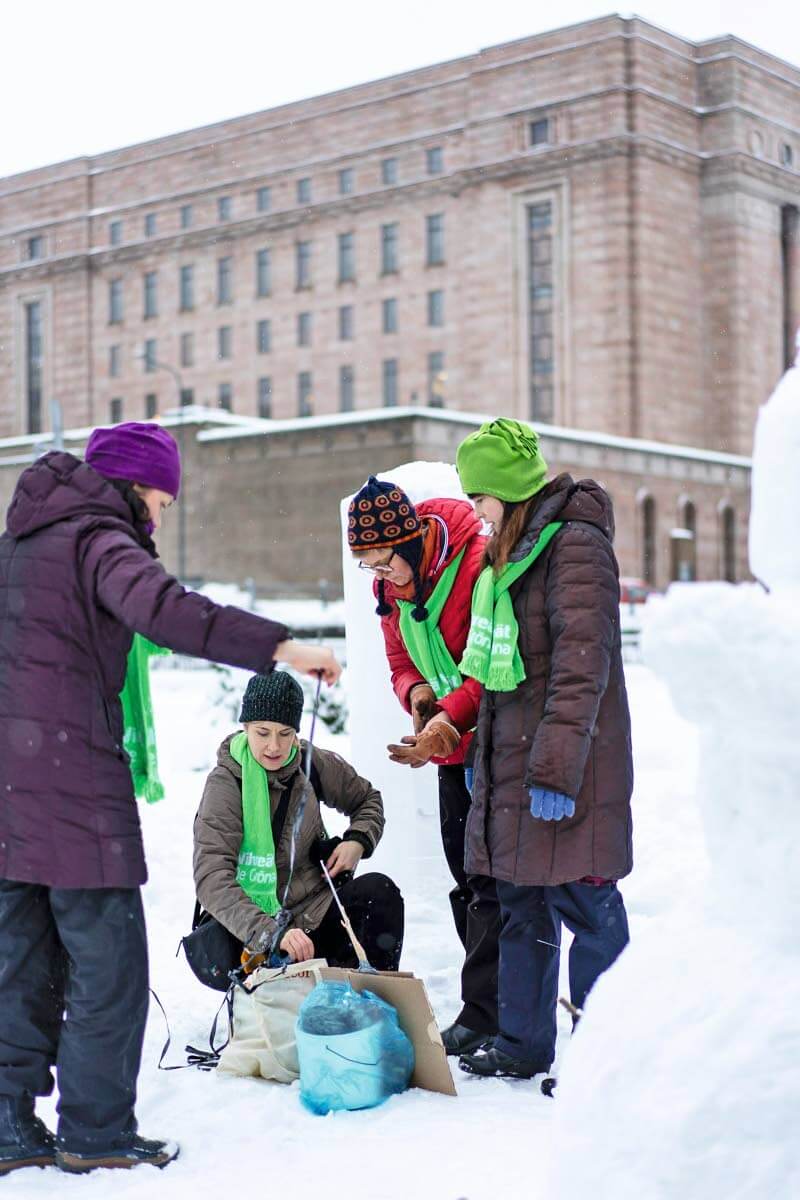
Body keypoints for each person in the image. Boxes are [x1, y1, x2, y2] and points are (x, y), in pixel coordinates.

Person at [0, 423, 340, 1176]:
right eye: (156, 498)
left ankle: (7, 1125)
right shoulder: (97, 537)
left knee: (19, 960)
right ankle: (95, 1131)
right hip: (72, 782)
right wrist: (283, 649)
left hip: (10, 784)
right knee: (109, 965)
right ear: (129, 487)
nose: (157, 516)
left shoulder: (18, 543)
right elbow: (169, 610)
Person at [452, 418, 633, 1080]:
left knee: (586, 904)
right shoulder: (509, 555)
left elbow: (582, 666)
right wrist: (486, 766)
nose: (475, 510)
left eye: (480, 496)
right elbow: (505, 680)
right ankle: (524, 1043)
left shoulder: (573, 546)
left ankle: (607, 1055)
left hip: (573, 766)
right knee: (522, 902)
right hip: (519, 765)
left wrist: (554, 769)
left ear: (508, 489)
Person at [347, 476, 500, 1056]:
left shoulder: (474, 564)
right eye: (367, 567)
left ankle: (490, 1011)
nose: (378, 577)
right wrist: (417, 698)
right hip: (448, 746)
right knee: (465, 875)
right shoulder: (392, 591)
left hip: (491, 741)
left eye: (382, 562)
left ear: (408, 543)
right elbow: (398, 658)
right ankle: (488, 1004)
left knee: (491, 882)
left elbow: (491, 663)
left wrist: (447, 720)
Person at [193, 671, 403, 972]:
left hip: (313, 912)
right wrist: (270, 932)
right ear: (245, 727)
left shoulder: (309, 762)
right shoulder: (225, 784)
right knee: (245, 950)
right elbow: (212, 878)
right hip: (249, 928)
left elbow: (367, 799)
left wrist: (357, 840)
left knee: (380, 893)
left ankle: (365, 1001)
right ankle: (277, 994)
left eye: (285, 733)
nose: (274, 747)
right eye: (262, 733)